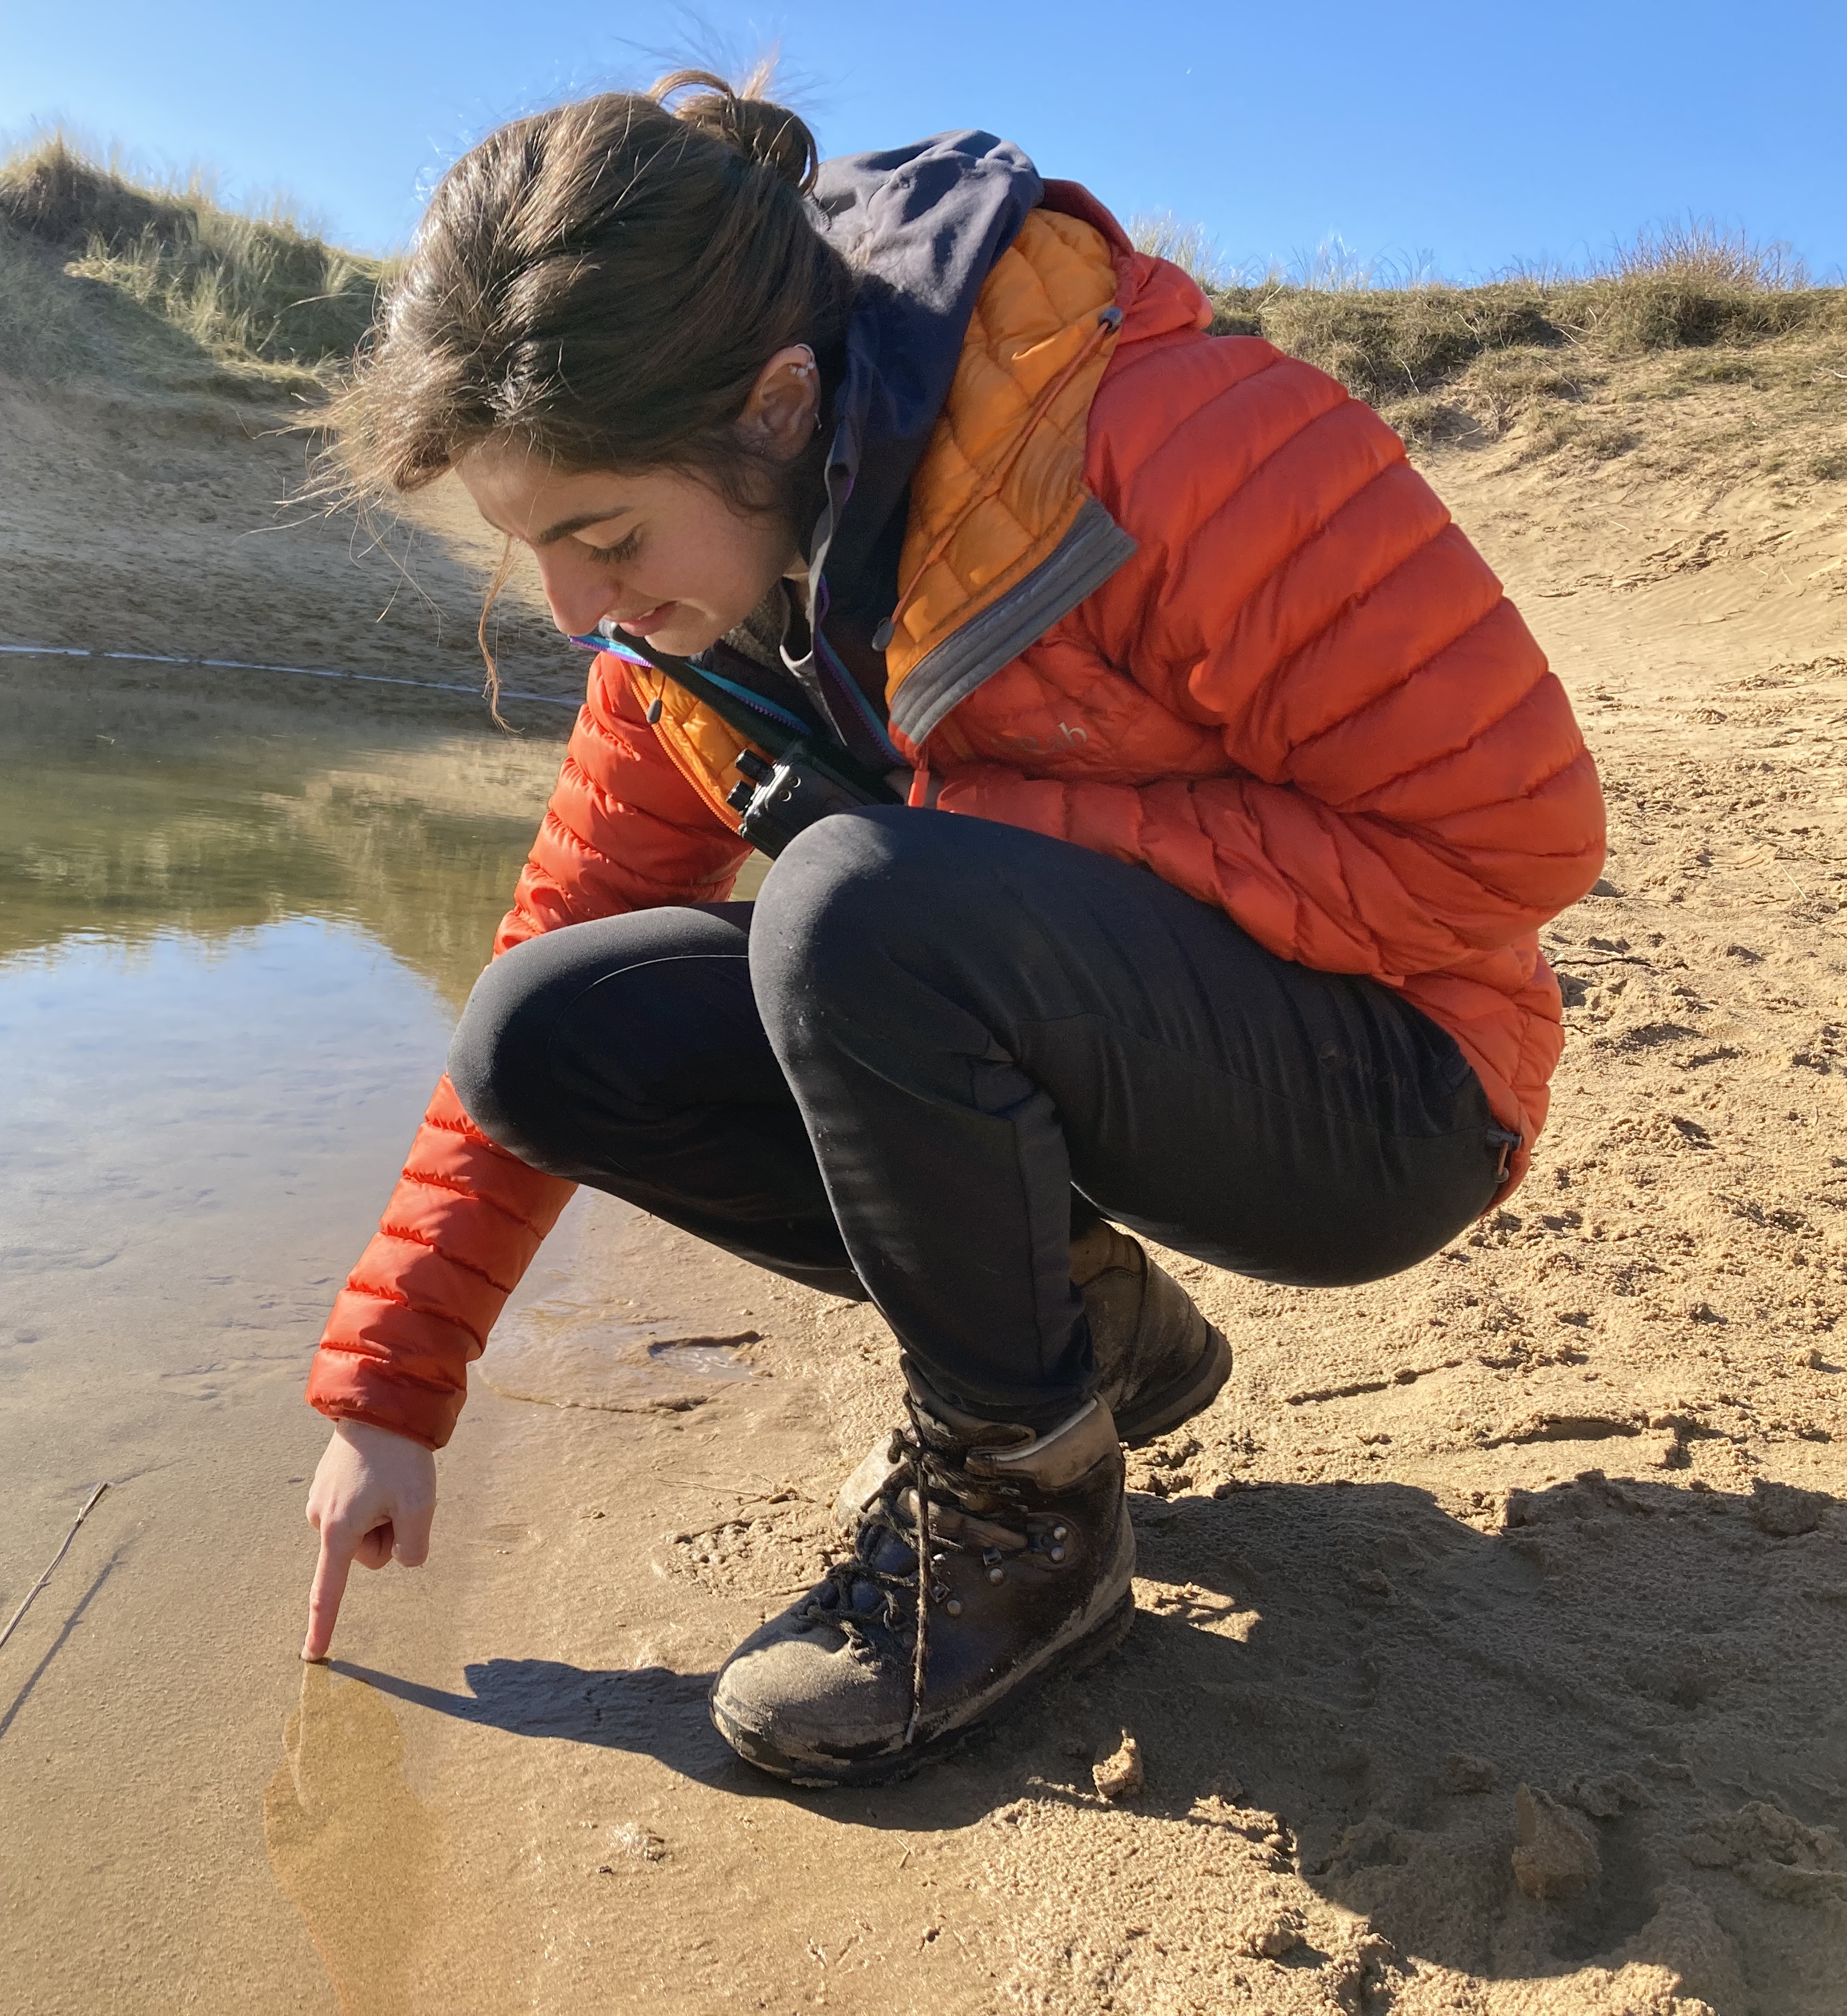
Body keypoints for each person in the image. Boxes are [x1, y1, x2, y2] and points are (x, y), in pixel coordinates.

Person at [297, 71, 1604, 1785]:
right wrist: (393, 1385)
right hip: (1090, 1032)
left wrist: (968, 832)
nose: (571, 614)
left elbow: (1516, 844)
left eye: (602, 536)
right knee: (546, 1026)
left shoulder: (1174, 438)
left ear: (777, 406)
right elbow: (556, 943)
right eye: (532, 549)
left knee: (854, 907)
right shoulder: (684, 646)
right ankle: (1091, 1341)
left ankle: (1022, 1521)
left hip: (1396, 1091)